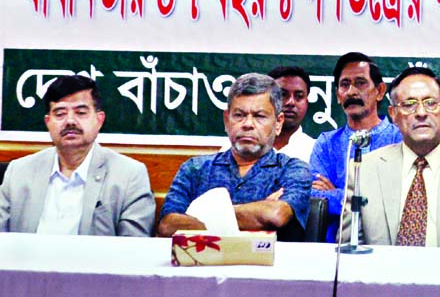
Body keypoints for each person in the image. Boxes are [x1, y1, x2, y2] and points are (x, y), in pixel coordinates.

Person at [341, 67, 440, 248]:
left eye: (430, 103)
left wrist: (431, 272)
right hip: (382, 274)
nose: (421, 112)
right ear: (393, 114)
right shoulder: (364, 170)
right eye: (409, 104)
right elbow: (351, 244)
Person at [157, 73, 311, 240]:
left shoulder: (293, 170)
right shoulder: (195, 169)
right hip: (203, 265)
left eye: (259, 116)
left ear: (278, 123)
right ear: (226, 120)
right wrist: (257, 213)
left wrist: (194, 216)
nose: (248, 124)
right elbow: (168, 226)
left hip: (266, 265)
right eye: (239, 115)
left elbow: (275, 215)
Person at [0, 75, 154, 236]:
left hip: (97, 262)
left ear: (99, 120)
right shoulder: (18, 171)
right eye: (60, 114)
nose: (70, 121)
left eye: (80, 112)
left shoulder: (129, 175)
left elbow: (133, 248)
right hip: (26, 261)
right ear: (48, 122)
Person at [309, 52, 402, 242]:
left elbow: (400, 199)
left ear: (380, 91)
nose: (351, 92)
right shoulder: (326, 143)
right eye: (345, 85)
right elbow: (314, 196)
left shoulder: (399, 138)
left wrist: (336, 192)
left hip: (391, 246)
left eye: (360, 83)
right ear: (337, 95)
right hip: (335, 247)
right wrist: (375, 199)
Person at [219, 66, 315, 163]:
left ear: (307, 102)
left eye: (299, 96)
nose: (291, 102)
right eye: (283, 95)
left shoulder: (316, 152)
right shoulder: (236, 147)